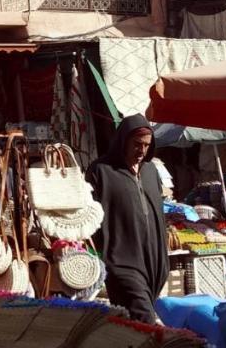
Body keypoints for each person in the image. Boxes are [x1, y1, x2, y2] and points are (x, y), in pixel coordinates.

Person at [86, 114, 168, 323]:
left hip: (153, 260)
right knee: (145, 318)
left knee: (131, 323)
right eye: (137, 144)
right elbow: (90, 215)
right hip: (121, 259)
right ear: (123, 141)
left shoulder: (150, 171)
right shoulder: (101, 170)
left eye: (146, 146)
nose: (141, 151)